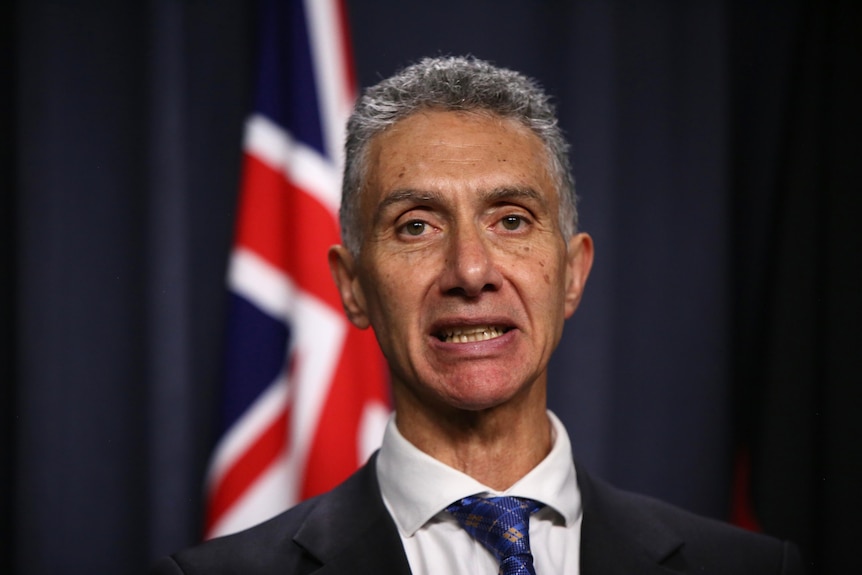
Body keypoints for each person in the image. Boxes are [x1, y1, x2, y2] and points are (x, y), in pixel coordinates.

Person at [152, 56, 804, 575]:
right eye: (415, 225)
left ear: (573, 272)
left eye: (512, 219)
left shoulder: (751, 566)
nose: (470, 269)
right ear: (352, 287)